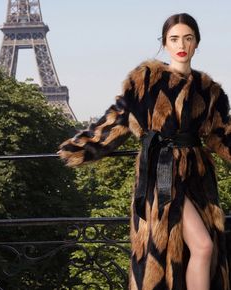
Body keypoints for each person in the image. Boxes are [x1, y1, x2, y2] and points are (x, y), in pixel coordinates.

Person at [58, 13, 230, 290]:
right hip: (160, 177)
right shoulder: (145, 81)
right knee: (203, 246)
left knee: (194, 253)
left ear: (197, 42)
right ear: (164, 43)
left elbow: (221, 134)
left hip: (198, 179)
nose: (181, 44)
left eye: (188, 38)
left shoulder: (211, 92)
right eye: (174, 39)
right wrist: (81, 148)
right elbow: (116, 120)